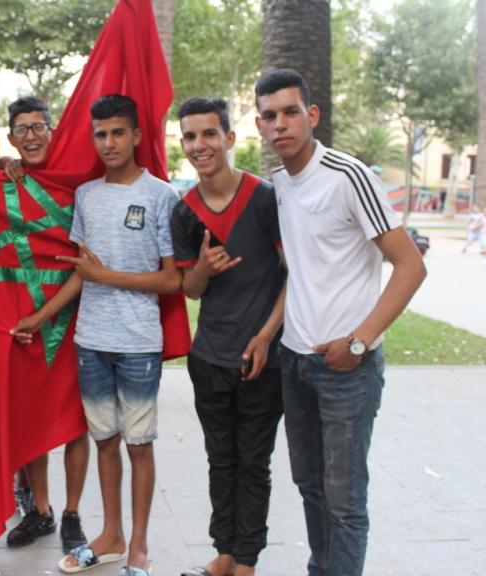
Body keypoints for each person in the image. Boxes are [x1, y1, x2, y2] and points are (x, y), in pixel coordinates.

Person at [254, 69, 425, 576]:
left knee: (345, 501)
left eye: (289, 112)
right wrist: (269, 334)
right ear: (260, 126)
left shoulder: (349, 175)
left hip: (347, 368)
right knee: (310, 486)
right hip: (296, 362)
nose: (280, 124)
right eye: (269, 116)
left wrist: (358, 342)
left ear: (312, 115)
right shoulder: (280, 184)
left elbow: (411, 265)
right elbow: (300, 272)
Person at [13, 94, 181, 576]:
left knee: (139, 445)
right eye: (100, 134)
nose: (108, 143)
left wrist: (111, 277)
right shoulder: (86, 195)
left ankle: (140, 547)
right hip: (91, 341)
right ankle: (111, 535)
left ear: (136, 137)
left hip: (138, 344)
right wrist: (42, 316)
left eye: (117, 133)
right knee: (104, 439)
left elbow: (172, 280)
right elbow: (81, 273)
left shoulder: (160, 196)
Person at [170, 97, 286, 576]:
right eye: (192, 137)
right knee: (220, 460)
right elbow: (190, 291)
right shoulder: (185, 212)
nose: (201, 145)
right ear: (184, 145)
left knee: (253, 463)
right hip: (210, 358)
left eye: (210, 134)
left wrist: (265, 336)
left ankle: (247, 562)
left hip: (263, 359)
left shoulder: (265, 199)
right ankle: (224, 553)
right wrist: (201, 268)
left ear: (230, 138)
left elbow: (293, 277)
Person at [2, 96, 92, 554]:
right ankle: (40, 509)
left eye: (39, 126)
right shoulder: (5, 181)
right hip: (25, 324)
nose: (32, 135)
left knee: (75, 422)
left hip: (74, 322)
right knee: (33, 416)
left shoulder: (80, 181)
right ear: (11, 137)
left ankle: (73, 514)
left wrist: (43, 316)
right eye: (22, 129)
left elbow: (85, 262)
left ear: (53, 131)